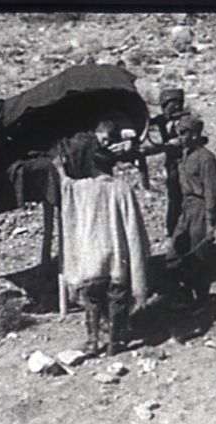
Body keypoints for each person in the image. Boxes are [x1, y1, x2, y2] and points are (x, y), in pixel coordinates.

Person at [55, 132, 150, 357]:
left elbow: (65, 186)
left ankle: (92, 341)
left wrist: (60, 168)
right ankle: (114, 342)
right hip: (117, 257)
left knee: (92, 301)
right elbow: (134, 225)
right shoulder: (122, 188)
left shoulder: (83, 188)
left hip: (92, 258)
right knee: (117, 299)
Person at [169, 114, 216, 307]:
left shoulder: (206, 159)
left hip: (200, 207)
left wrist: (210, 222)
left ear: (195, 134)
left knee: (198, 257)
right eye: (179, 133)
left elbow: (211, 191)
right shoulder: (185, 154)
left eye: (184, 133)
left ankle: (201, 301)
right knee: (174, 255)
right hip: (186, 207)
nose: (180, 137)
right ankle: (185, 296)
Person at [153, 87, 188, 237]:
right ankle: (173, 230)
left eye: (176, 105)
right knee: (174, 197)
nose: (173, 109)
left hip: (187, 165)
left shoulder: (187, 120)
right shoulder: (163, 121)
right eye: (168, 106)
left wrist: (175, 142)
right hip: (172, 166)